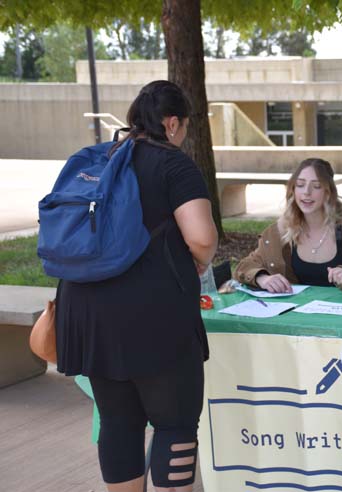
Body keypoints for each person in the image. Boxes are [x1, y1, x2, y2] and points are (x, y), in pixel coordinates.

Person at [55, 80, 218, 492]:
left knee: (117, 421)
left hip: (86, 310)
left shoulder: (99, 157)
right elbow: (201, 238)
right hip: (152, 315)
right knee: (175, 423)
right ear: (173, 123)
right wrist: (197, 261)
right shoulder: (173, 163)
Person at [234, 158, 342, 295]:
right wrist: (263, 278)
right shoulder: (286, 224)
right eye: (300, 185)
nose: (306, 192)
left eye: (316, 186)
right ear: (293, 190)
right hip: (300, 318)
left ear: (328, 192)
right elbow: (244, 267)